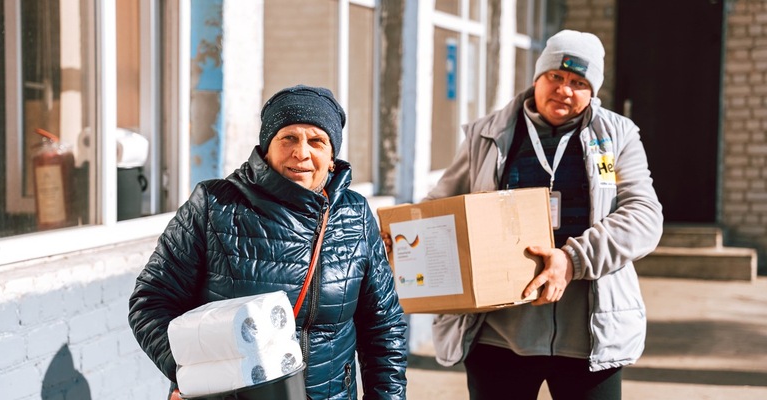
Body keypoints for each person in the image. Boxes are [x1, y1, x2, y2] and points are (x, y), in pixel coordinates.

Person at [424, 30, 663, 399]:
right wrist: (408, 236)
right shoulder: (486, 134)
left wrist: (572, 259)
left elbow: (644, 216)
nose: (564, 90)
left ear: (592, 91)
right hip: (500, 333)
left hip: (588, 335)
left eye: (578, 82)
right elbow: (440, 205)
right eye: (555, 76)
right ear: (538, 77)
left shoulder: (618, 136)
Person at [129, 84, 408, 399]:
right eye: (288, 137)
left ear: (332, 158)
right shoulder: (214, 205)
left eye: (316, 141)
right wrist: (190, 373)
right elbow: (150, 303)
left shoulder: (354, 215)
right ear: (266, 147)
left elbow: (384, 326)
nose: (301, 152)